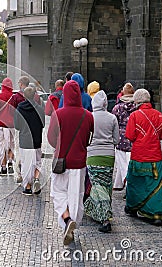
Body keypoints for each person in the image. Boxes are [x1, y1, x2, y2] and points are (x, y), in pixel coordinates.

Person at [48, 80, 94, 245]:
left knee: (58, 192)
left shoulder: (58, 114)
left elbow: (51, 139)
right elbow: (89, 139)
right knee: (76, 195)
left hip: (61, 160)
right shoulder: (88, 116)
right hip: (79, 162)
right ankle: (72, 223)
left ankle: (67, 220)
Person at [124, 89, 162, 226]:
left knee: (136, 183)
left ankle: (133, 207)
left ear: (136, 101)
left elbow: (130, 136)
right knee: (155, 185)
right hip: (155, 157)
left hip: (139, 156)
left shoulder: (135, 115)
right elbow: (161, 136)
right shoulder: (159, 115)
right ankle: (157, 213)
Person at [84, 90, 119, 233]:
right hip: (109, 156)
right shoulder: (112, 118)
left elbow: (86, 139)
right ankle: (99, 211)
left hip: (93, 156)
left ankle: (105, 218)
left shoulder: (89, 117)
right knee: (106, 185)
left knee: (97, 186)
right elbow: (116, 140)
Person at [14, 86, 45, 194]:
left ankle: (27, 186)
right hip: (36, 140)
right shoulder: (40, 109)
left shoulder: (19, 108)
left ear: (24, 96)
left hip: (25, 140)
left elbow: (17, 126)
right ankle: (36, 178)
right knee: (37, 162)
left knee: (25, 163)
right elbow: (43, 124)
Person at [111, 82, 136, 191]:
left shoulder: (117, 108)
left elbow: (113, 123)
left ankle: (128, 183)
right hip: (133, 137)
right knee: (128, 161)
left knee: (122, 163)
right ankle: (118, 184)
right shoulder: (137, 107)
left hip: (121, 137)